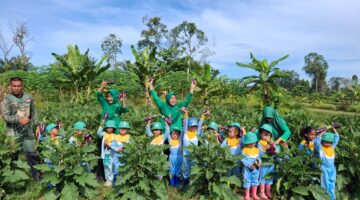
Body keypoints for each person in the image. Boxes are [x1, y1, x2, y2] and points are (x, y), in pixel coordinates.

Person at [0, 77, 41, 181]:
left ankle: (38, 178)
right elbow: (6, 117)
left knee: (32, 153)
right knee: (13, 154)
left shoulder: (28, 97)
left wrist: (37, 125)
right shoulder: (7, 100)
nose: (17, 88)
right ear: (10, 86)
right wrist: (19, 119)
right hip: (13, 132)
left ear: (22, 86)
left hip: (27, 130)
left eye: (19, 85)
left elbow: (33, 111)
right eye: (14, 86)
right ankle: (14, 179)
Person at [182, 108, 207, 186]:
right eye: (191, 126)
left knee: (193, 167)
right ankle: (186, 181)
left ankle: (192, 182)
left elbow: (200, 124)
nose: (193, 127)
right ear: (188, 126)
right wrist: (186, 114)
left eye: (195, 126)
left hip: (194, 155)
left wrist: (203, 116)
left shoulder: (197, 133)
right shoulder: (185, 132)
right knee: (186, 167)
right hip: (185, 154)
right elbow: (185, 123)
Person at [314, 129, 340, 200]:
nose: (328, 144)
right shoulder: (320, 149)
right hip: (324, 168)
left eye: (330, 142)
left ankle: (332, 198)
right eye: (326, 142)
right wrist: (321, 133)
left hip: (332, 168)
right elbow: (316, 141)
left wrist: (334, 130)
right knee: (325, 185)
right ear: (322, 142)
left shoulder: (332, 147)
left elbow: (337, 138)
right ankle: (325, 198)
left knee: (332, 183)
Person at [257, 124, 277, 199]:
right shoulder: (260, 143)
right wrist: (265, 149)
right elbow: (259, 153)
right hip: (264, 164)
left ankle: (268, 192)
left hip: (271, 164)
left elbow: (276, 152)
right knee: (262, 178)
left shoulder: (272, 142)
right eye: (265, 134)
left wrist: (274, 147)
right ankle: (262, 193)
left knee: (270, 178)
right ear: (260, 134)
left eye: (268, 135)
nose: (267, 137)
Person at [97, 120, 118, 187]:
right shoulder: (104, 134)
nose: (109, 129)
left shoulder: (115, 136)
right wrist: (101, 124)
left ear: (113, 128)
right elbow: (98, 133)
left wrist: (108, 145)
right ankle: (107, 180)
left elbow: (115, 145)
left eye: (111, 127)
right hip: (105, 154)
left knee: (111, 167)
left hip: (111, 154)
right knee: (106, 166)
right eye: (108, 127)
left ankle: (110, 180)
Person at [241, 132, 261, 200]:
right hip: (247, 169)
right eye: (250, 143)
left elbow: (259, 158)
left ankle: (254, 194)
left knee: (255, 181)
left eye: (253, 142)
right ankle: (247, 195)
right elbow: (243, 160)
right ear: (246, 143)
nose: (252, 144)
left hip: (256, 169)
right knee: (247, 181)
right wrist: (249, 165)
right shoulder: (244, 150)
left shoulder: (256, 150)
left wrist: (259, 163)